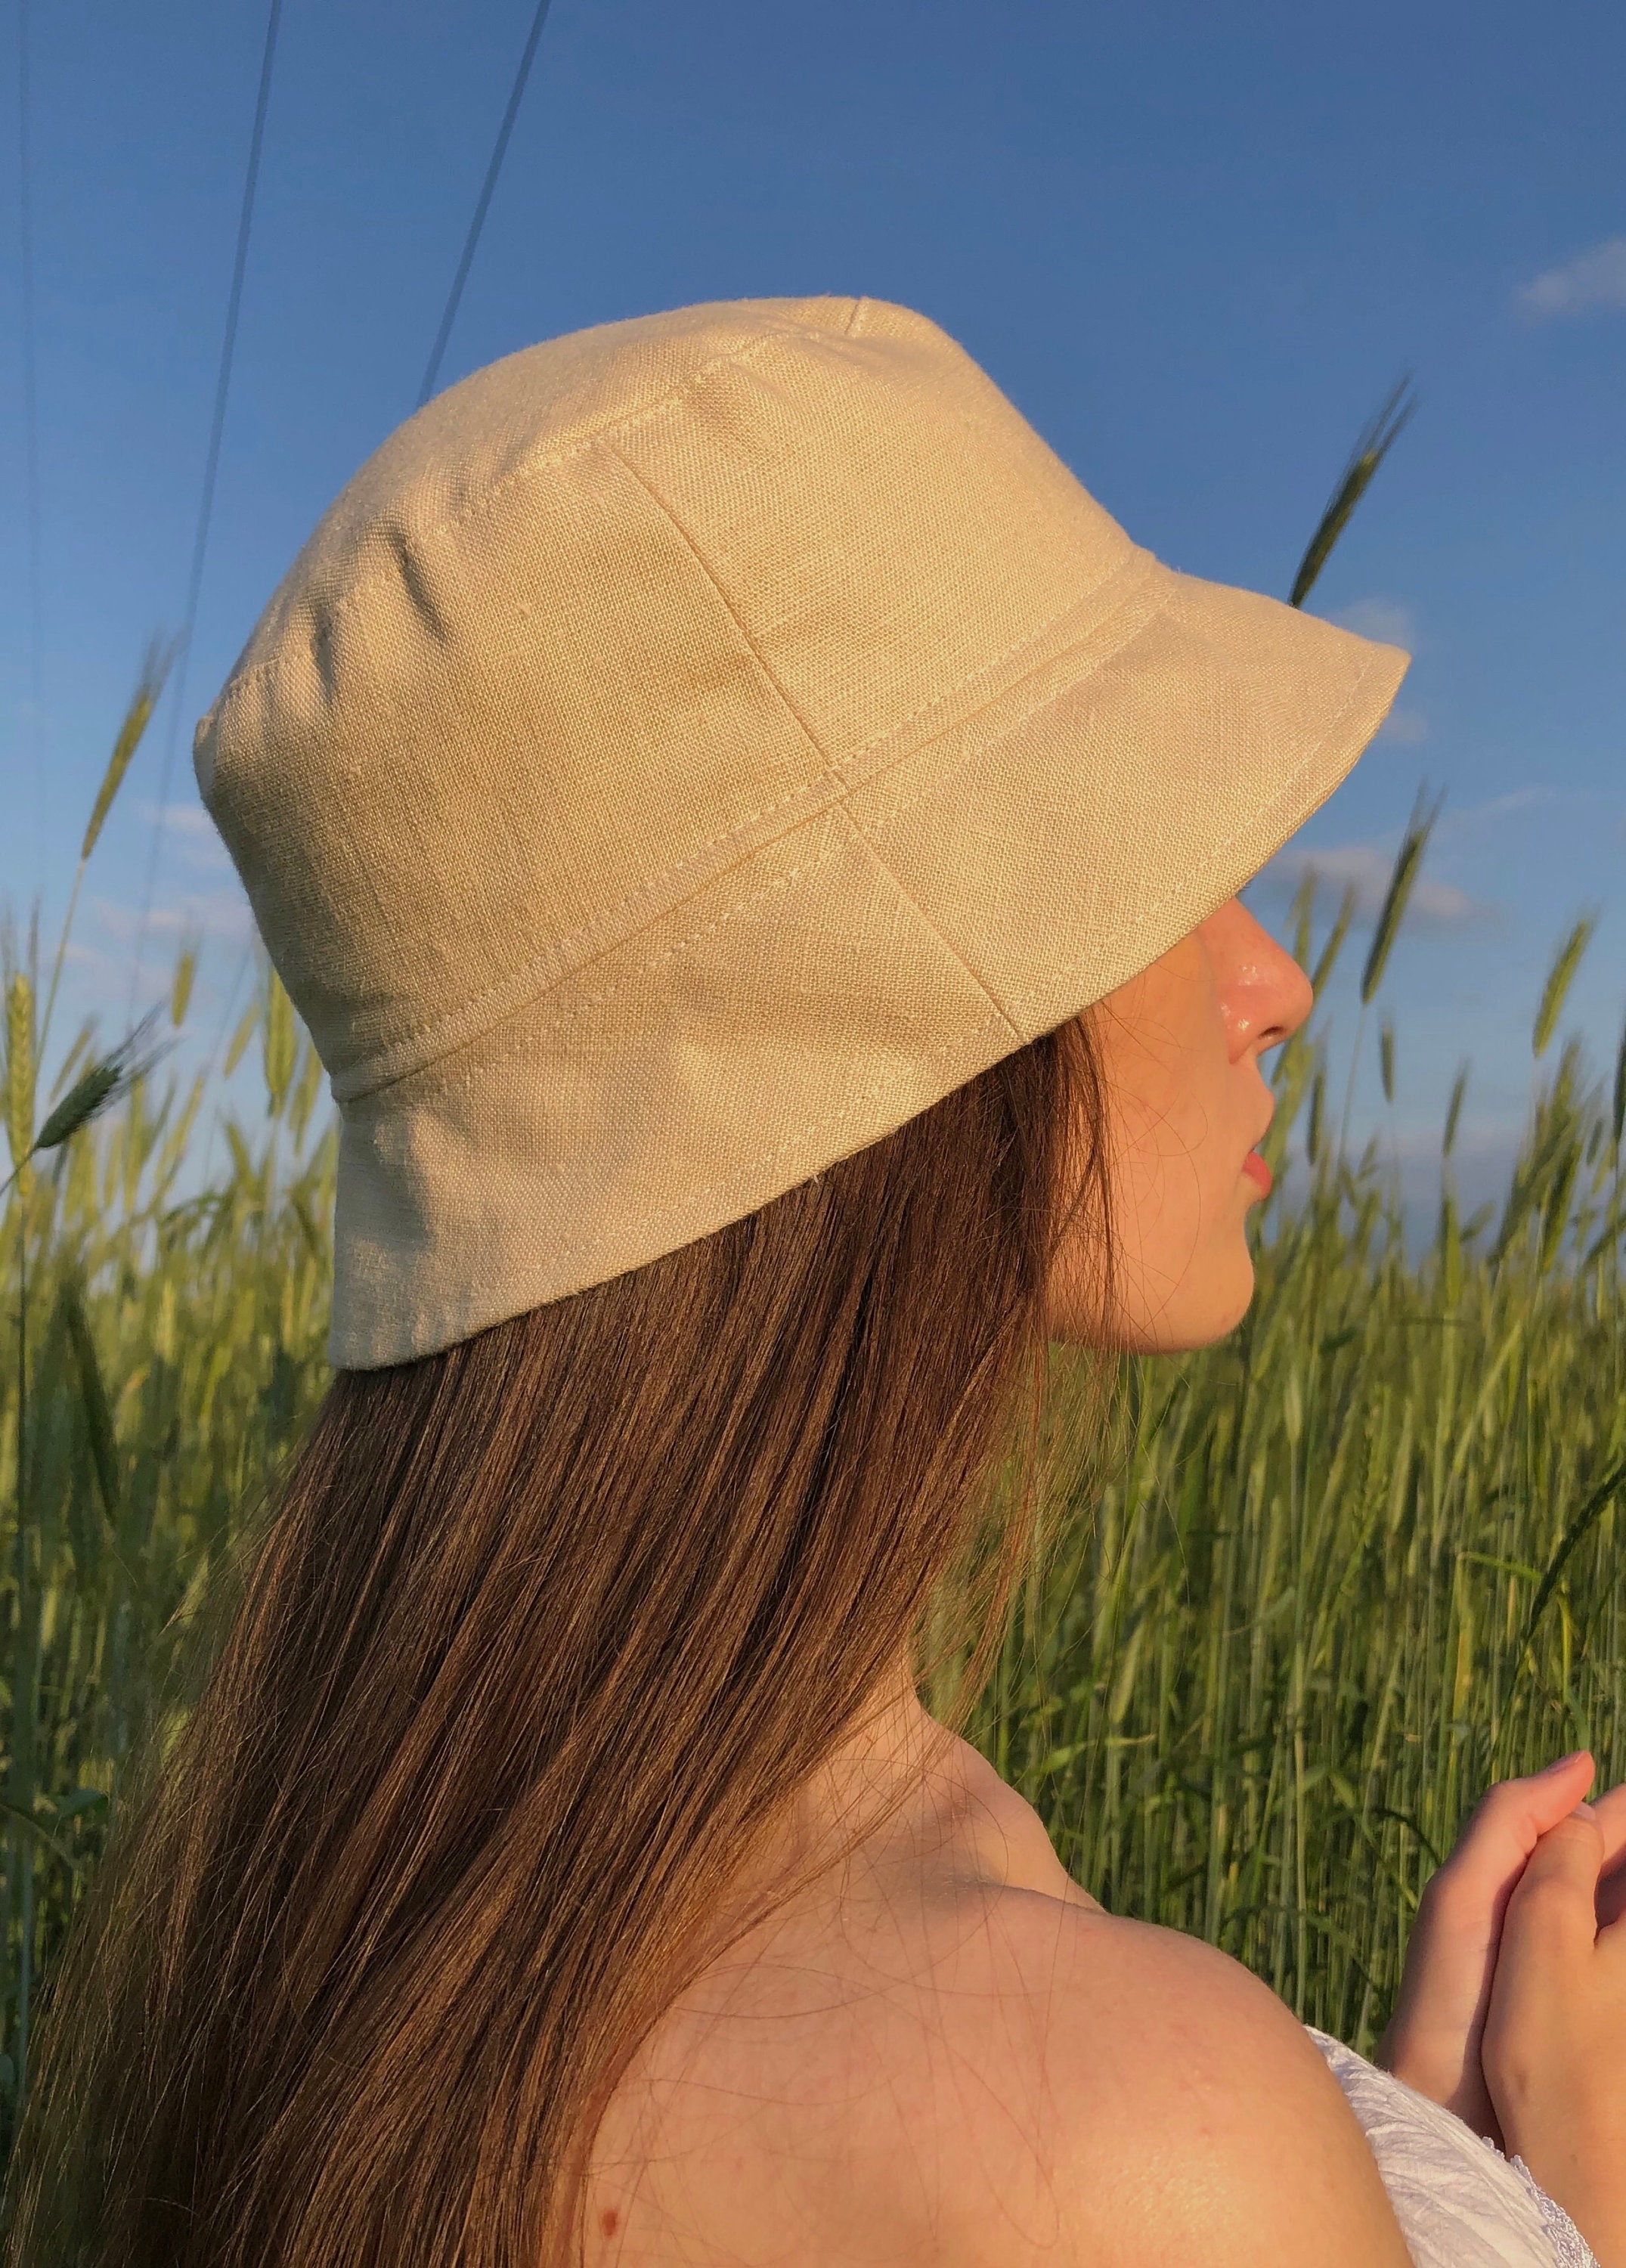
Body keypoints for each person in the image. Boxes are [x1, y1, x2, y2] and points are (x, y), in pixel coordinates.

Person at [8, 295, 1624, 2268]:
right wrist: (1572, 2213)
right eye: (1138, 857)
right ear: (864, 1065)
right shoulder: (1126, 2136)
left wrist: (1418, 2179)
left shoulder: (335, 1899)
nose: (1271, 979)